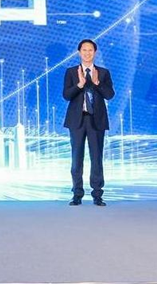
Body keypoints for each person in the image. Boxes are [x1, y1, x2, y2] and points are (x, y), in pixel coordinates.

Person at [62, 39, 114, 206]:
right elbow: (66, 95)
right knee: (76, 157)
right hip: (77, 120)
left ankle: (97, 194)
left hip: (96, 120)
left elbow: (110, 95)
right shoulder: (71, 72)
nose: (87, 53)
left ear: (95, 52)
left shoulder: (103, 72)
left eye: (90, 50)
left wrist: (97, 83)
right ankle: (77, 194)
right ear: (79, 52)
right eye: (84, 50)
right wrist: (80, 84)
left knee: (96, 157)